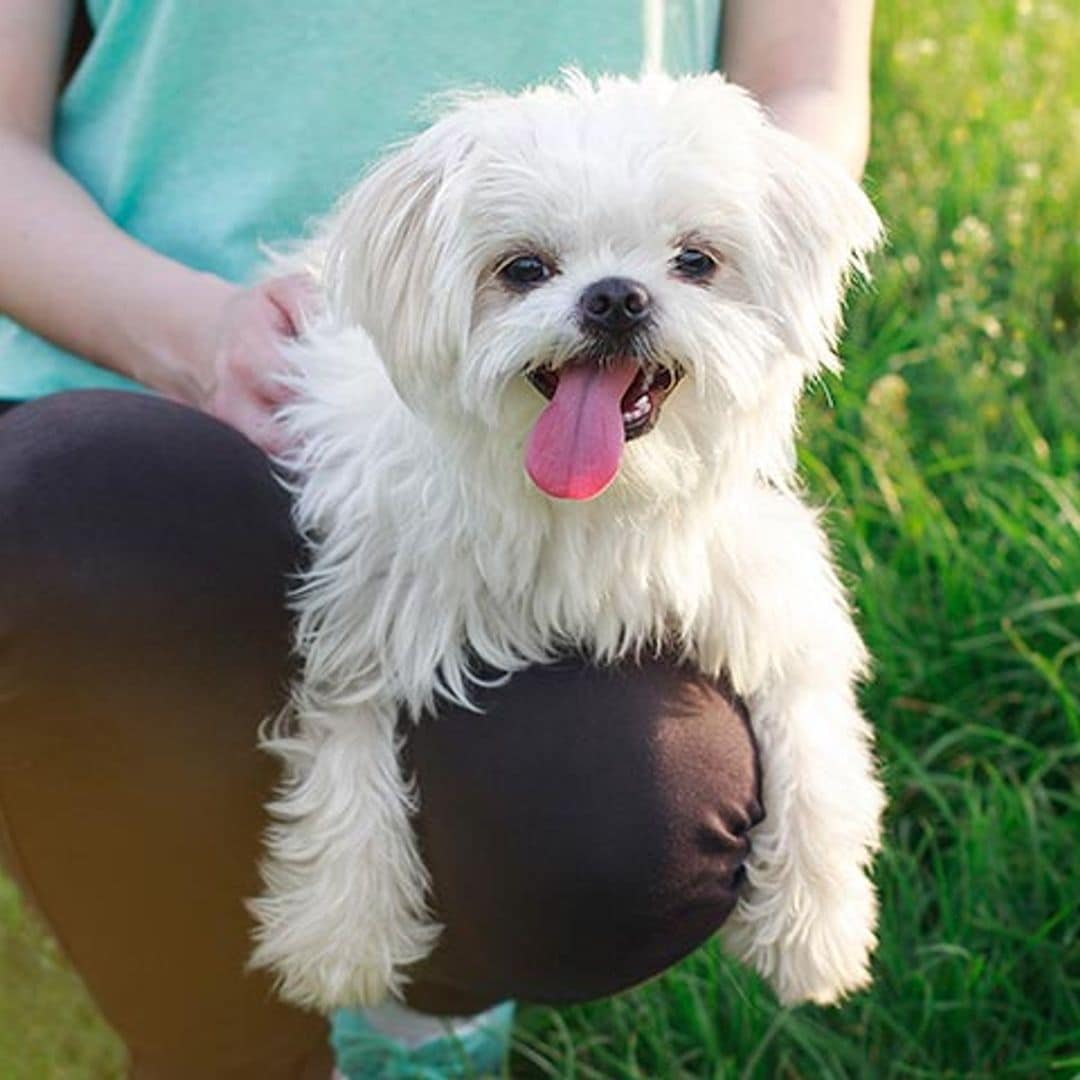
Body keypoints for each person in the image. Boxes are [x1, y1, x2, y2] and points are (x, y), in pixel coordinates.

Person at [0, 2, 874, 1076]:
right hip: (144, 362)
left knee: (626, 823)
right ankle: (216, 1045)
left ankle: (426, 1017)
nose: (612, 299)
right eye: (526, 269)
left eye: (689, 260)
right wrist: (190, 332)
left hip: (591, 442)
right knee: (67, 522)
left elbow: (808, 84)